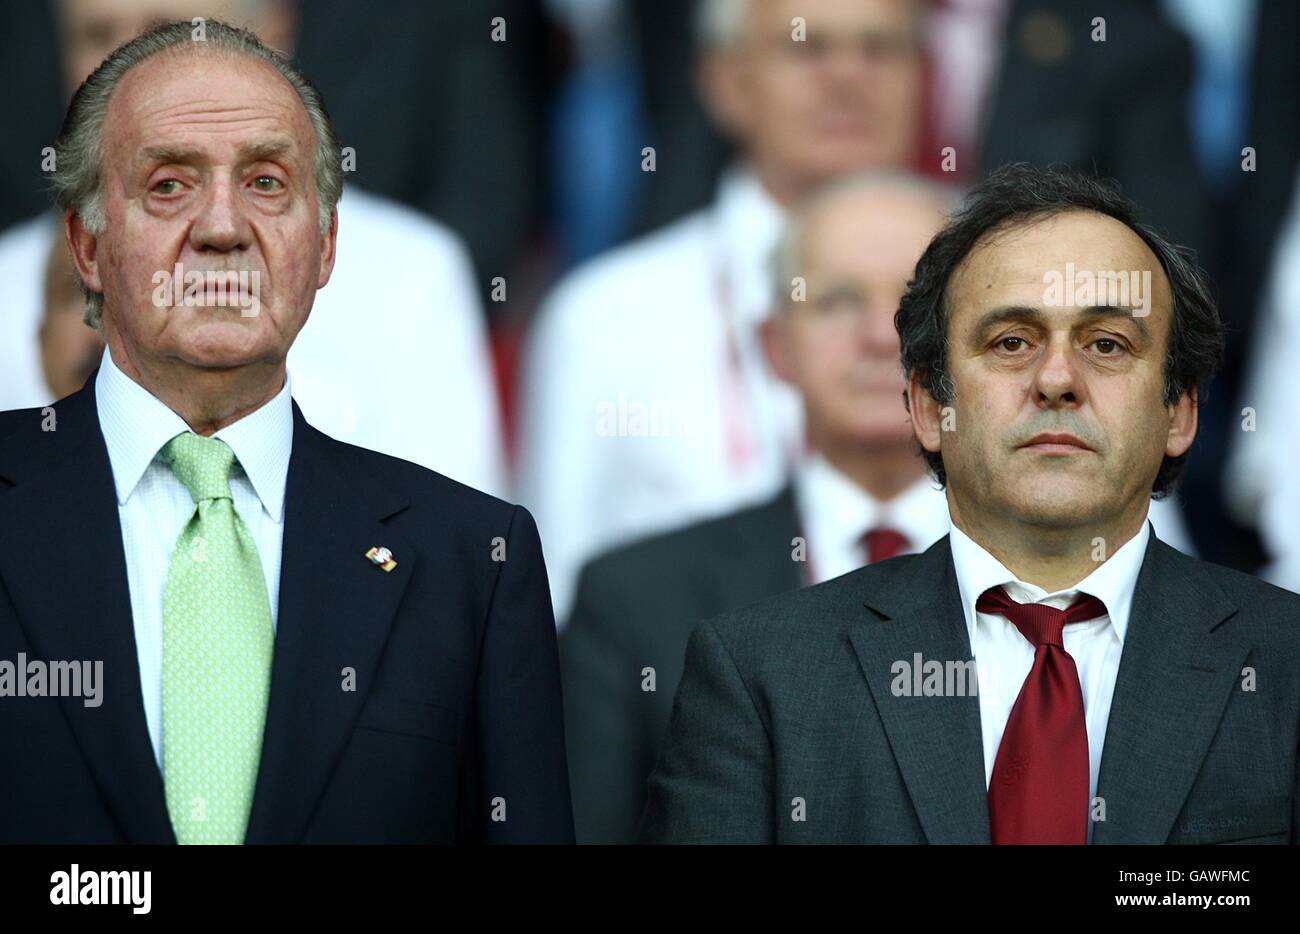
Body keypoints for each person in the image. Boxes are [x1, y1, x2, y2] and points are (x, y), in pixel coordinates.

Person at [0, 21, 572, 844]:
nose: (223, 227)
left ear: (326, 244)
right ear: (87, 243)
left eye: (268, 183)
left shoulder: (472, 561)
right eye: (168, 185)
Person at [641, 163, 1300, 844]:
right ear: (928, 407)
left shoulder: (1287, 662)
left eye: (1106, 344)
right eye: (1011, 342)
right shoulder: (761, 676)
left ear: (1181, 412)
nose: (1055, 380)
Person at [561, 172, 953, 843]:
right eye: (835, 300)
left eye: (919, 305)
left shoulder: (1073, 579)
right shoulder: (630, 599)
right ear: (776, 347)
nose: (882, 337)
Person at [518, 0, 931, 625]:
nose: (848, 75)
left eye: (879, 47)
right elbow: (550, 589)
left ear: (924, 77)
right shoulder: (603, 316)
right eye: (807, 48)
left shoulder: (1011, 287)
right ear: (726, 81)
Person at [0, 0, 507, 497]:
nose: (131, 63)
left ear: (274, 34)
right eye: (97, 37)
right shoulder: (6, 282)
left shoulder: (412, 274)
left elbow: (444, 547)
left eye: (168, 32)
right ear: (85, 246)